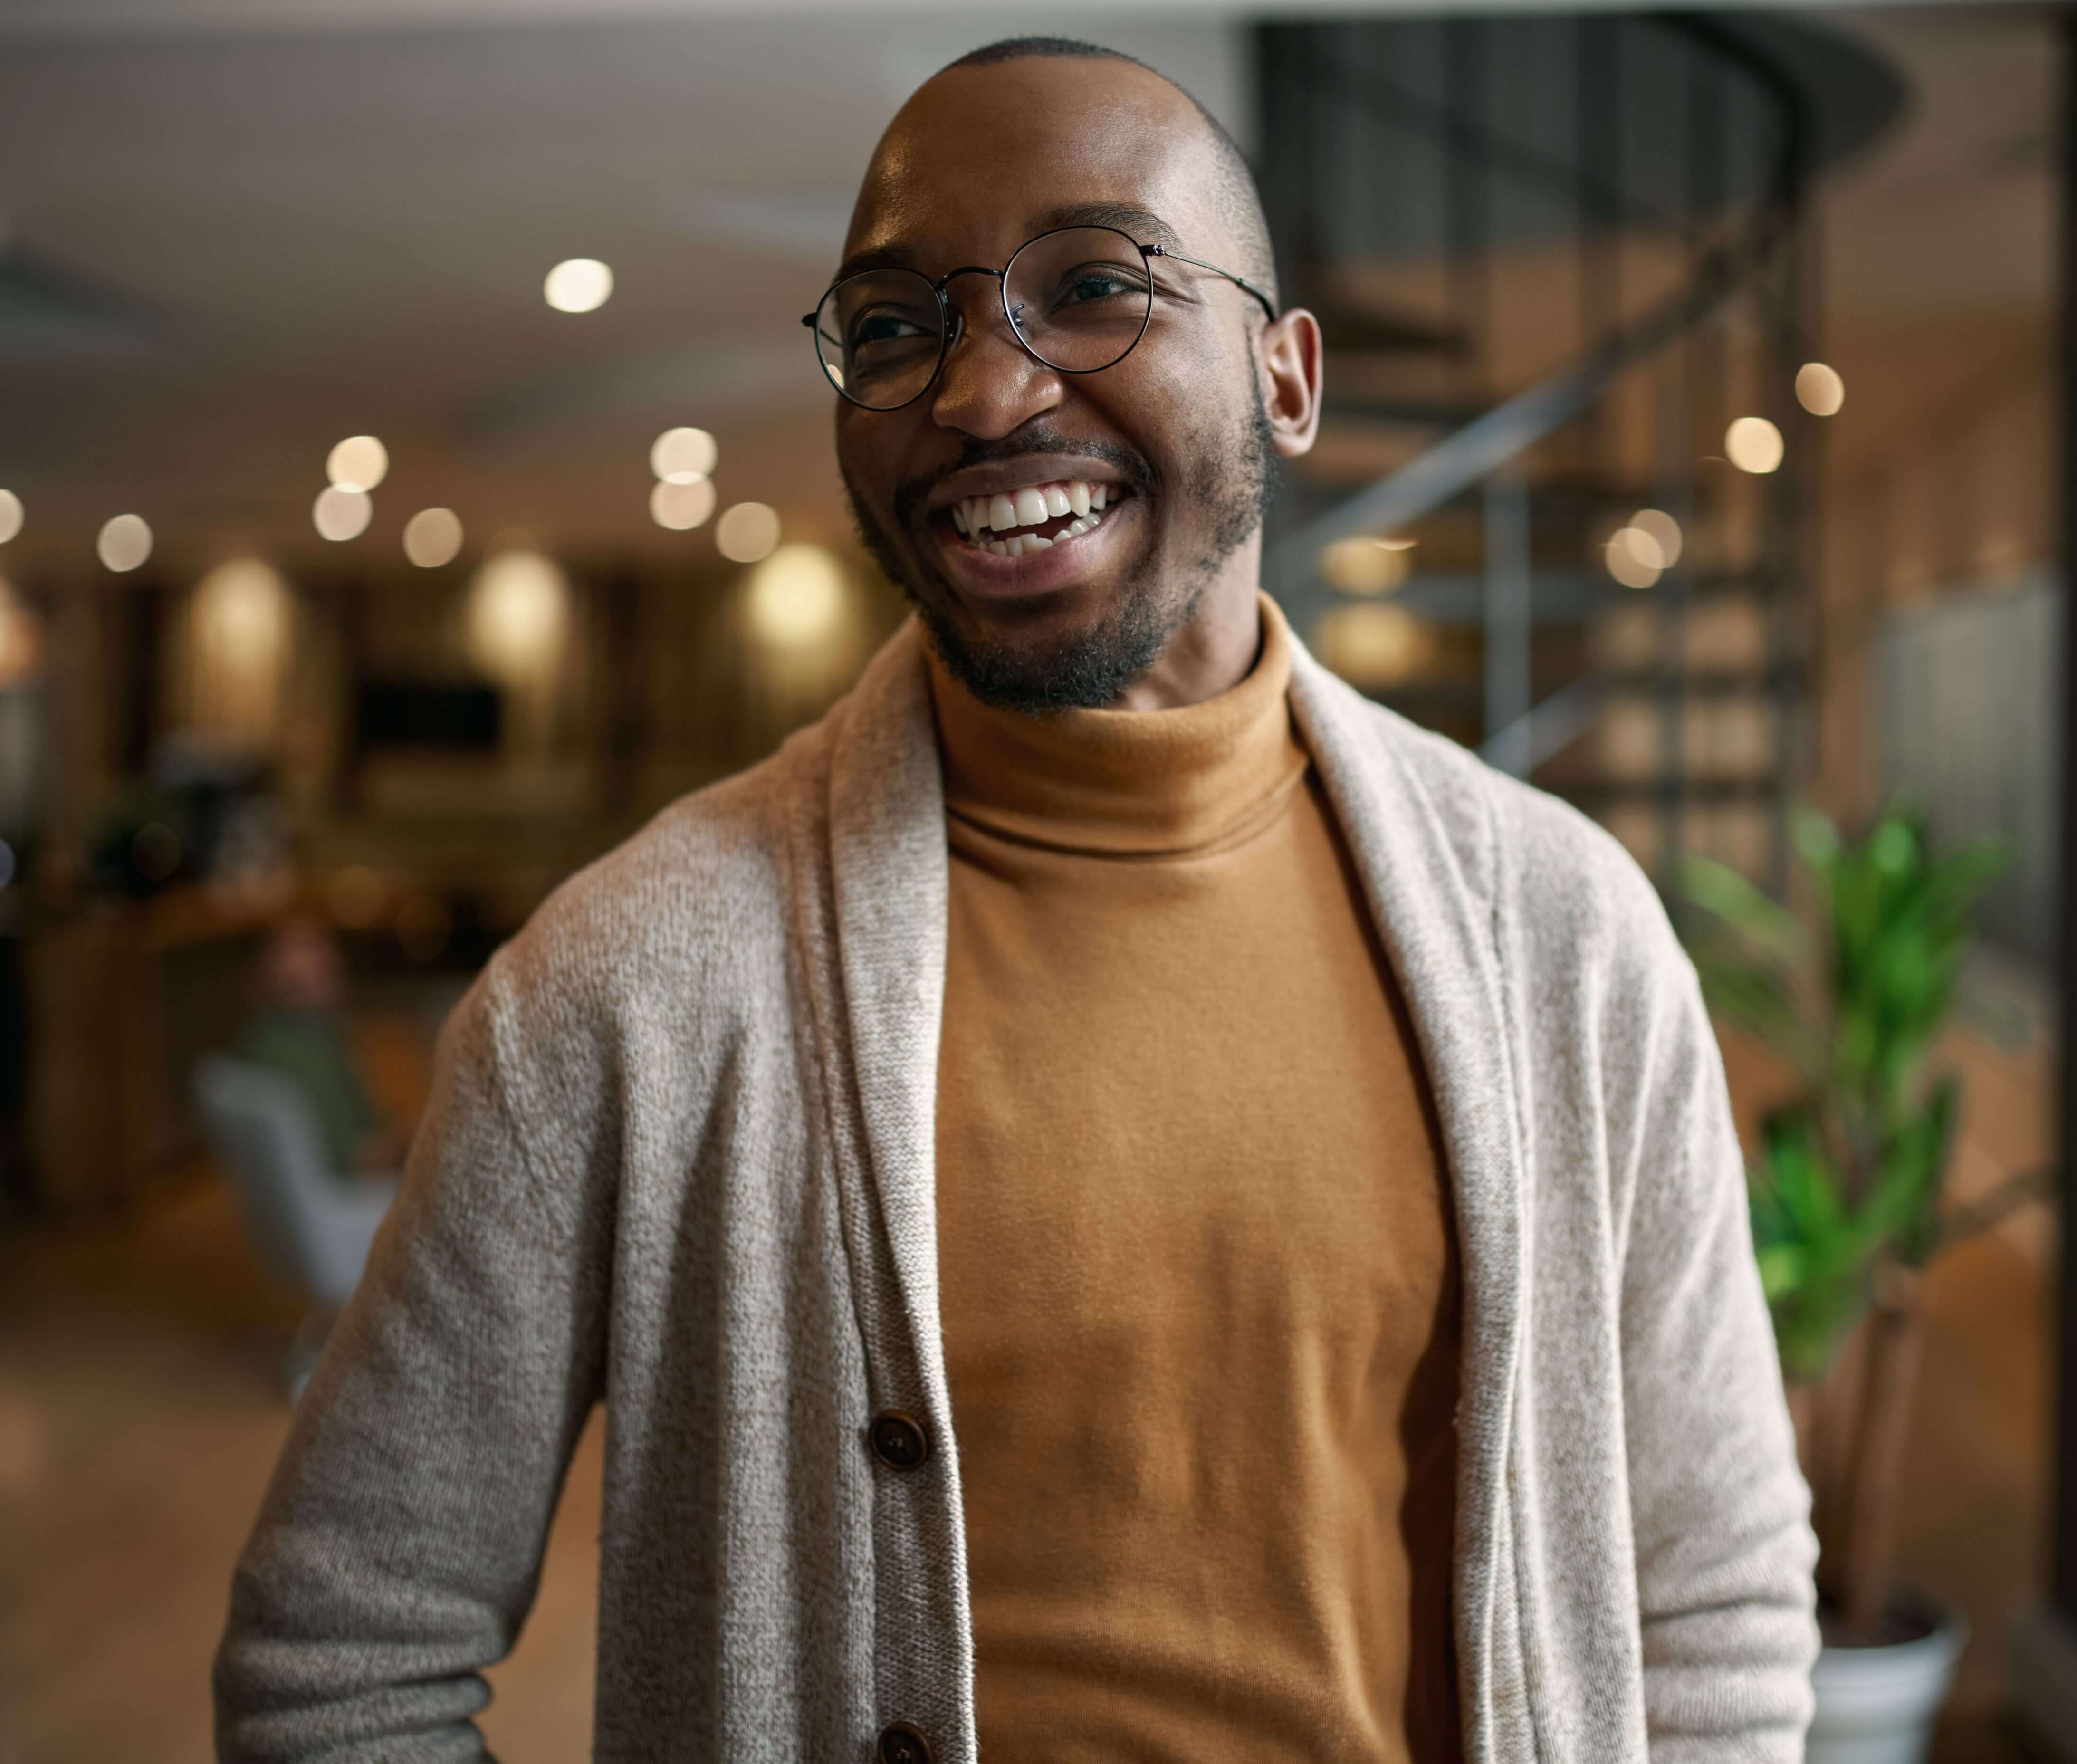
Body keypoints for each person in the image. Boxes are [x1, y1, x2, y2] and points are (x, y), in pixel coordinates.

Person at [216, 38, 1816, 1764]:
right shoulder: (624, 985)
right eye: (899, 325)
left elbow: (1712, 1594)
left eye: (1097, 285)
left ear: (1287, 379)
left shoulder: (1564, 937)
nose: (983, 393)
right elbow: (340, 1664)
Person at [230, 914, 404, 1180]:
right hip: (355, 1198)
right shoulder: (294, 1055)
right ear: (263, 967)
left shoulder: (290, 1035)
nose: (325, 958)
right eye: (301, 947)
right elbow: (358, 1160)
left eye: (322, 944)